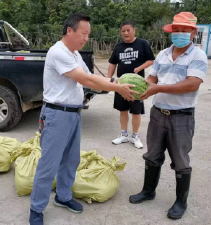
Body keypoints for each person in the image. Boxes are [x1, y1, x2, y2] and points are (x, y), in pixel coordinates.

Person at [29, 13, 138, 225]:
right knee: (49, 165)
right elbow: (85, 78)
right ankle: (36, 208)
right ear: (70, 30)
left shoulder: (75, 54)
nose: (86, 38)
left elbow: (91, 79)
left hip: (74, 114)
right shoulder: (58, 52)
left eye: (88, 34)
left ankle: (63, 196)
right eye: (84, 33)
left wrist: (117, 80)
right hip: (56, 115)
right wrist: (117, 88)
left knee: (71, 160)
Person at [129, 12, 208, 220]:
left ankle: (181, 201)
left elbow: (192, 83)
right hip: (158, 113)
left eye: (184, 30)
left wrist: (158, 88)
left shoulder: (198, 56)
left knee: (181, 160)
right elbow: (153, 77)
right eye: (176, 30)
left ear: (193, 33)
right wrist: (136, 86)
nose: (179, 33)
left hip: (181, 116)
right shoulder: (163, 54)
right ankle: (148, 191)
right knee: (152, 154)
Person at [108, 21, 155, 149]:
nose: (126, 33)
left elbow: (151, 60)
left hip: (137, 85)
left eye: (128, 30)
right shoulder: (118, 46)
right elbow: (112, 63)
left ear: (134, 30)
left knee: (136, 111)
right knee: (122, 110)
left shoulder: (142, 43)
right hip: (120, 84)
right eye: (123, 31)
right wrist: (108, 79)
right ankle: (123, 135)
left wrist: (140, 67)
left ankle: (135, 136)